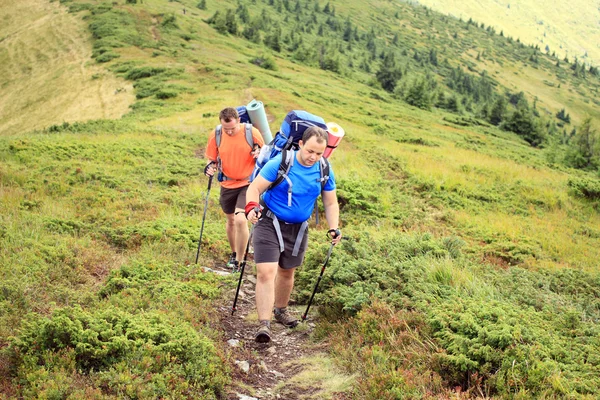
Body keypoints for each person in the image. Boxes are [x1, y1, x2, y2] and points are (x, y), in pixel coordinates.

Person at [245, 126, 342, 343]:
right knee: (266, 272)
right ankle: (264, 324)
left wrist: (334, 227)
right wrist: (251, 206)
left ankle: (281, 310)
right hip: (268, 221)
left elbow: (330, 201)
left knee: (287, 272)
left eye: (319, 153)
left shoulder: (324, 169)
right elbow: (254, 188)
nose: (313, 157)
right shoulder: (280, 162)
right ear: (300, 144)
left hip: (298, 227)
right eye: (310, 151)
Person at [205, 107, 264, 271]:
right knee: (230, 221)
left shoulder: (251, 132)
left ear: (239, 121)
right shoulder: (216, 135)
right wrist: (210, 167)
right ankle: (234, 253)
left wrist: (259, 153)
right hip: (227, 184)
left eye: (232, 128)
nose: (229, 132)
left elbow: (265, 154)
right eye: (226, 129)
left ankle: (239, 260)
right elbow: (212, 160)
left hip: (248, 183)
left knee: (240, 219)